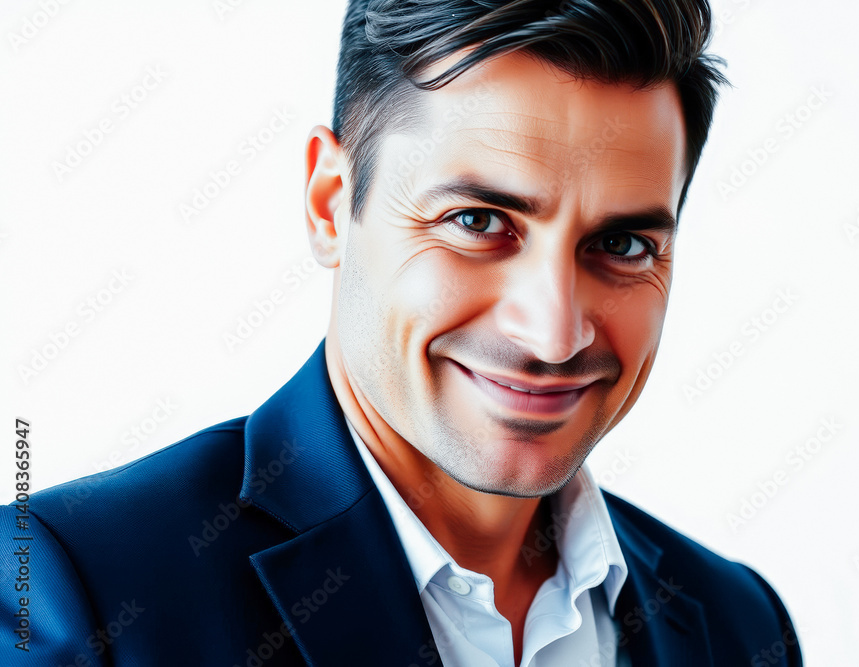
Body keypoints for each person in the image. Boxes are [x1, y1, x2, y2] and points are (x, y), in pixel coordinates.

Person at [2, 1, 802, 665]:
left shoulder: (737, 624)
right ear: (329, 204)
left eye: (622, 245)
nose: (554, 333)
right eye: (479, 221)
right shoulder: (80, 590)